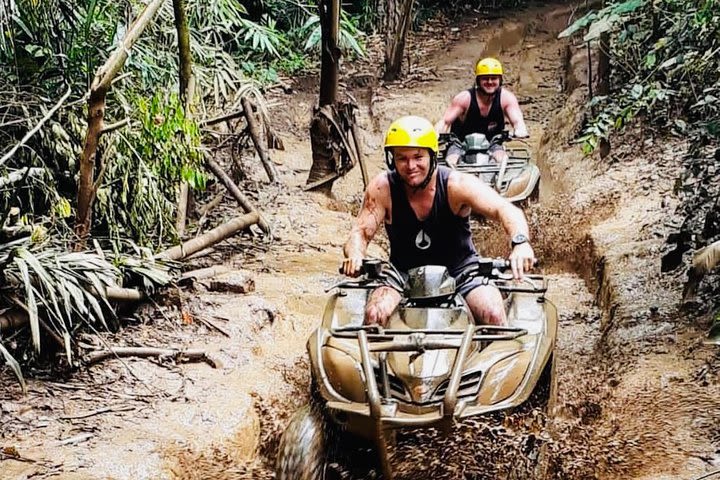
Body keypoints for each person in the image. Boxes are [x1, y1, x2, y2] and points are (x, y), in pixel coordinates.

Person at [341, 115, 535, 327]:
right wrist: (355, 255)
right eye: (402, 158)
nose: (410, 165)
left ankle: (492, 356)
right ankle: (375, 359)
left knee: (494, 313)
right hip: (403, 273)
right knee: (374, 313)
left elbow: (505, 209)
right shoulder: (382, 187)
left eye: (418, 157)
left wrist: (520, 243)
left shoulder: (456, 184)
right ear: (392, 159)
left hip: (461, 271)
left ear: (432, 156)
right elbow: (360, 232)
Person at [435, 57, 529, 167]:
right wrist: (435, 135)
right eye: (485, 78)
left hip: (492, 144)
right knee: (451, 161)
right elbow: (445, 122)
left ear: (500, 80)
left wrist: (520, 130)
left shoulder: (506, 98)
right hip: (460, 144)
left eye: (493, 78)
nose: (489, 82)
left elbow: (517, 121)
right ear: (478, 80)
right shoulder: (464, 98)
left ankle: (499, 184)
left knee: (502, 160)